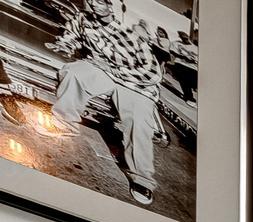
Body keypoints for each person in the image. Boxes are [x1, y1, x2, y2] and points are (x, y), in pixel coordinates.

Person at [43, 0, 167, 205]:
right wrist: (65, 44)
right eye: (91, 1)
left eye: (99, 1)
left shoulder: (131, 31)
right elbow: (72, 35)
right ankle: (65, 122)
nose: (93, 5)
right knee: (73, 72)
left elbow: (152, 73)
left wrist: (112, 70)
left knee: (138, 122)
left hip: (136, 83)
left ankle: (141, 177)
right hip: (102, 70)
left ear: (111, 6)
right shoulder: (83, 19)